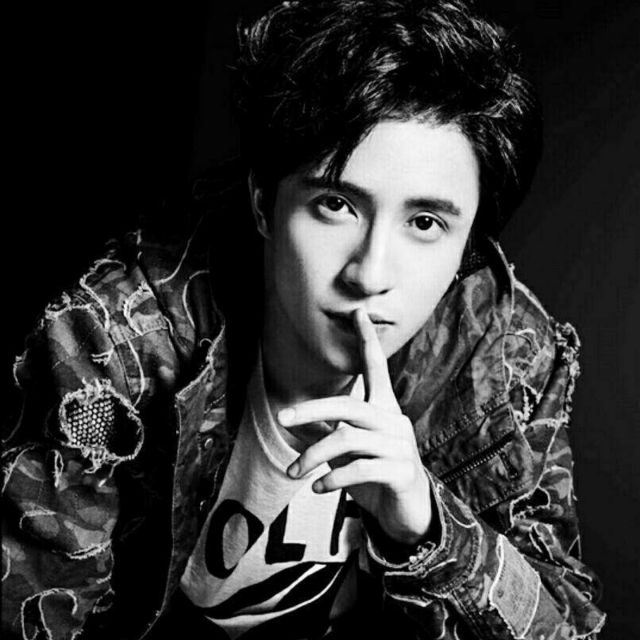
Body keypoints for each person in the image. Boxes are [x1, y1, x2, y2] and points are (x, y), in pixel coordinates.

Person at [1, 0, 606, 638]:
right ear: (264, 202)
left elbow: (566, 625)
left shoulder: (507, 359)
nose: (370, 273)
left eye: (425, 222)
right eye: (335, 204)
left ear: (468, 246)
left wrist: (429, 528)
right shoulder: (116, 342)